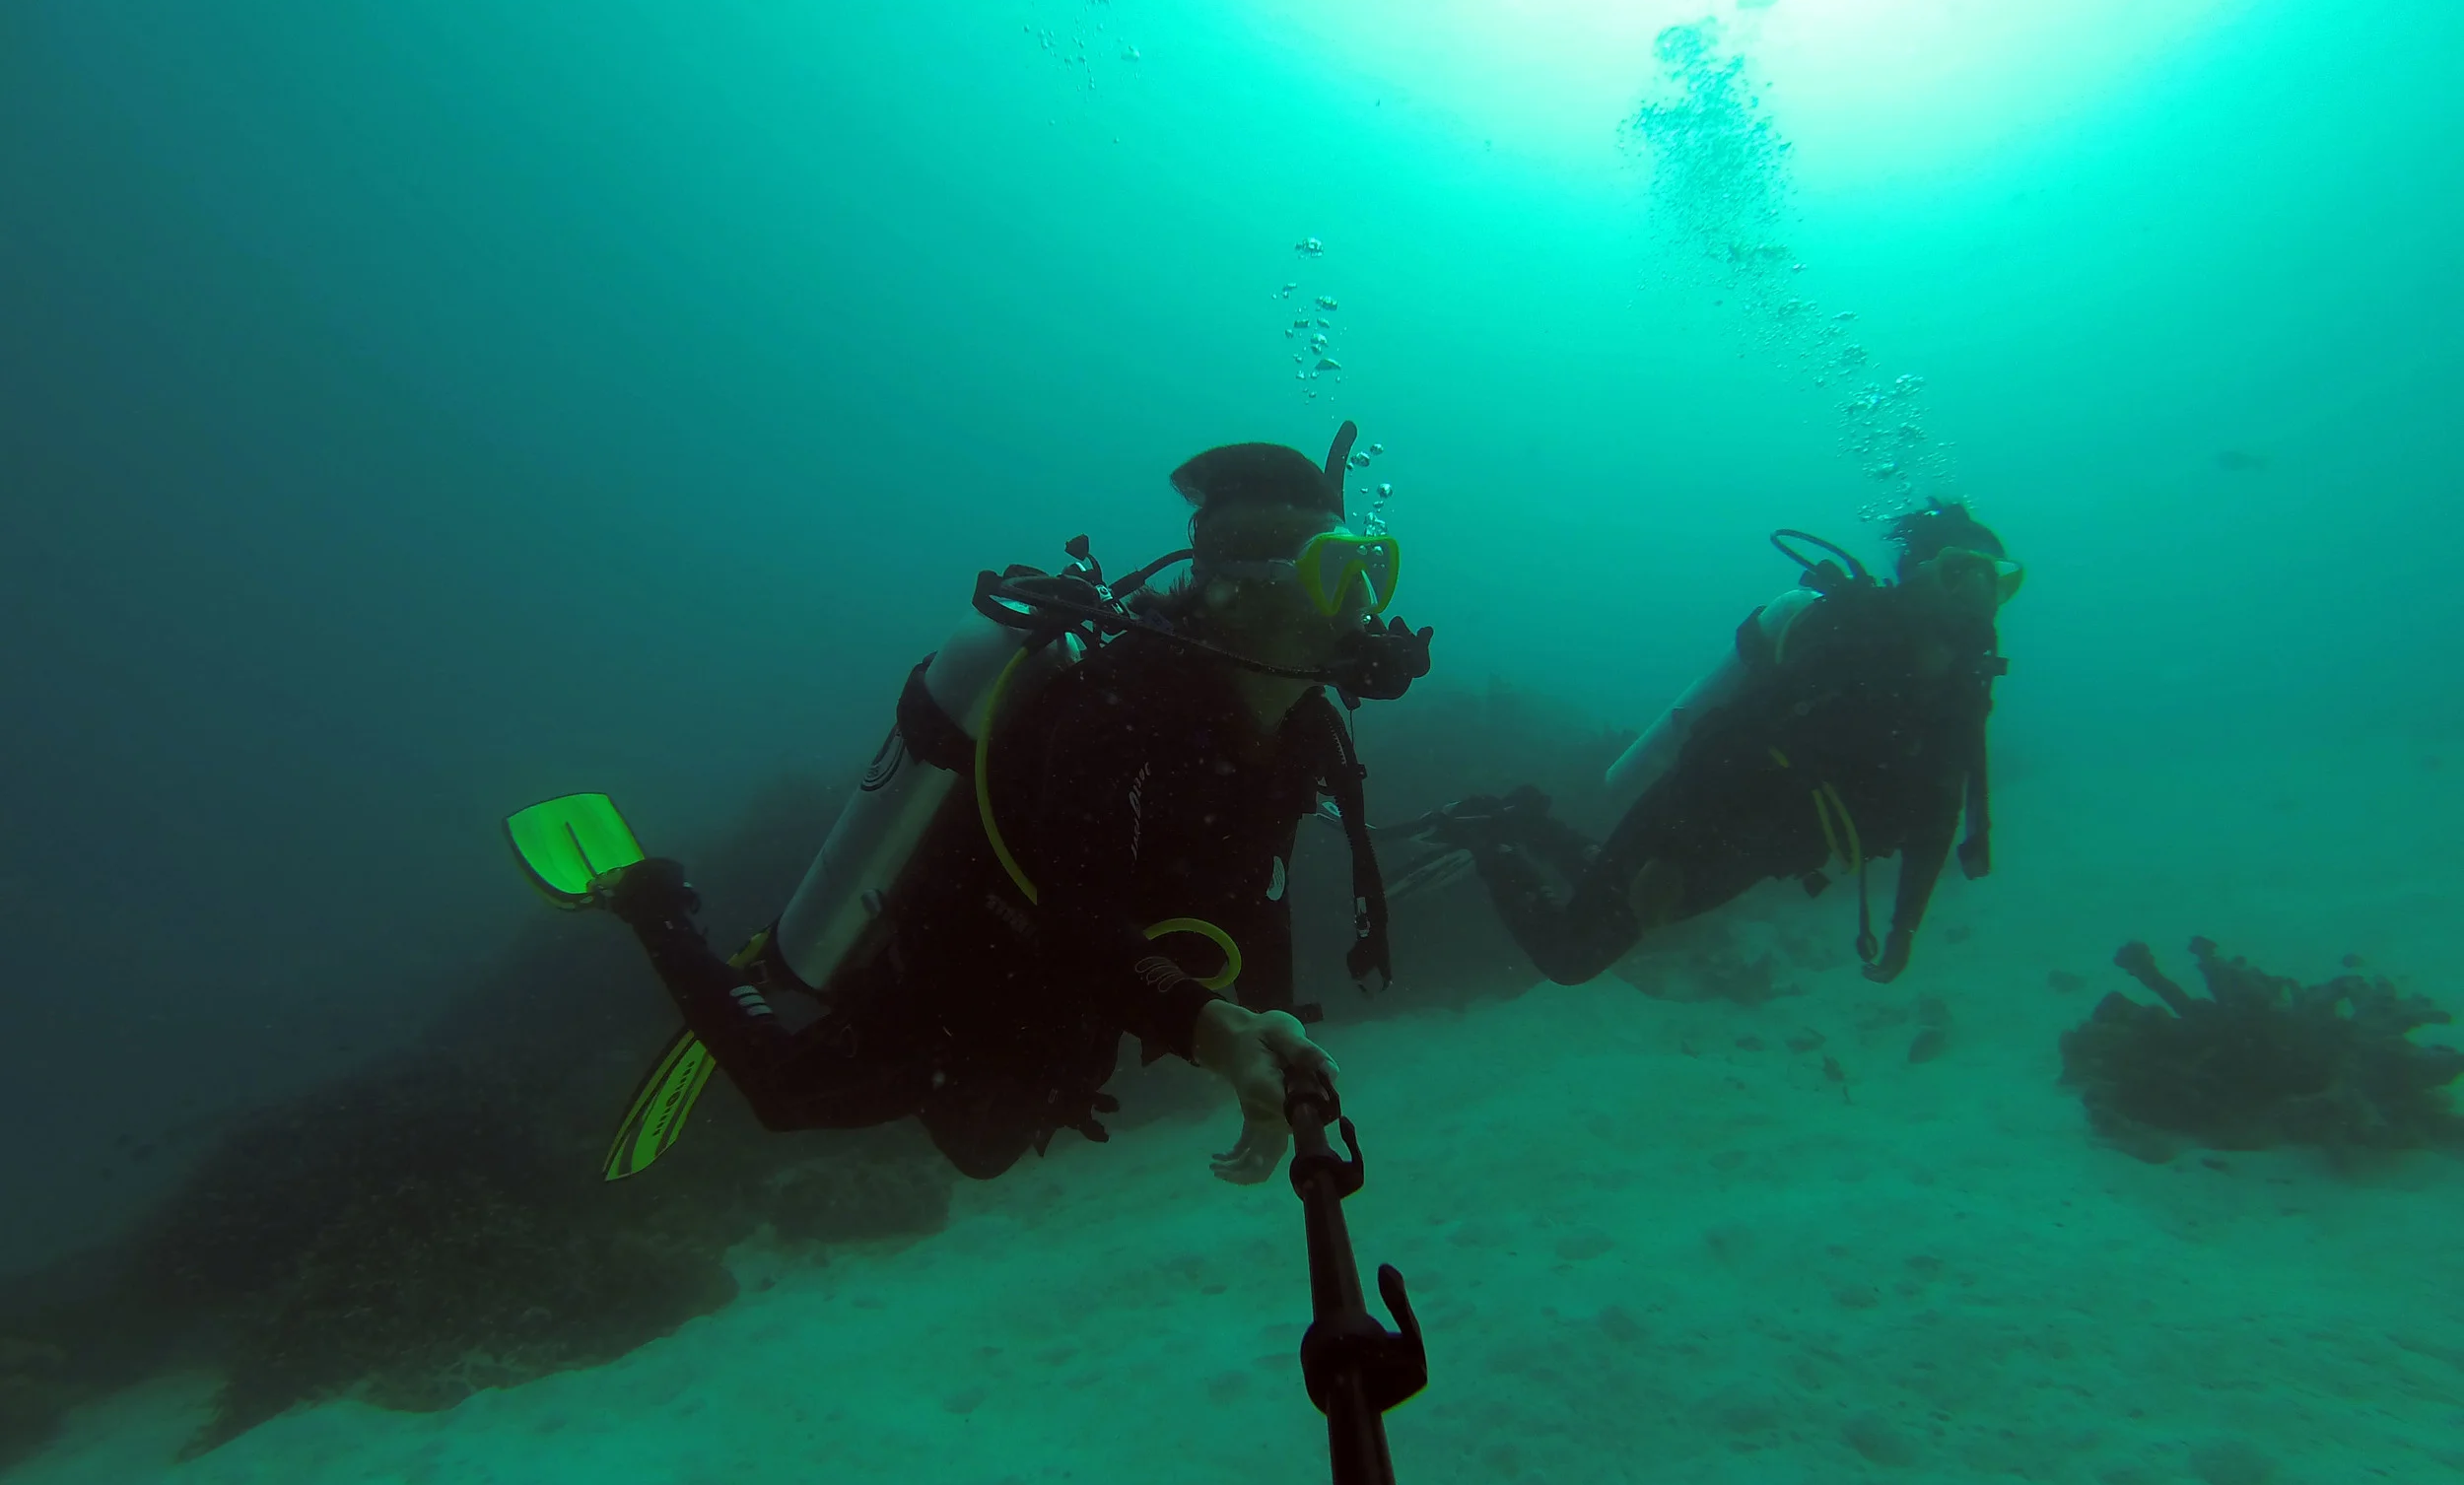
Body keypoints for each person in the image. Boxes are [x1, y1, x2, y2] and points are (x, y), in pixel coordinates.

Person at [592, 430, 1434, 1185]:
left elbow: (1263, 886)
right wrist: (1215, 1033)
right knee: (790, 1092)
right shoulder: (1116, 712)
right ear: (1236, 595)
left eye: (1373, 567)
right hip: (976, 954)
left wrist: (1268, 1016)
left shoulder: (1299, 725)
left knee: (985, 1150)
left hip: (1091, 982)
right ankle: (657, 907)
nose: (1367, 606)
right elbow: (1080, 922)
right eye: (1335, 574)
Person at [1407, 499, 2017, 987]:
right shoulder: (1846, 640)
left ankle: (1531, 825)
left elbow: (1938, 814)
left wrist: (1905, 926)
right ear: (1919, 576)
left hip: (1763, 850)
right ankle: (1489, 840)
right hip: (1702, 812)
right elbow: (1727, 738)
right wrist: (1672, 853)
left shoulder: (1959, 696)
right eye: (1964, 574)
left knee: (1629, 903)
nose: (1980, 599)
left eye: (1999, 583)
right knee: (1573, 957)